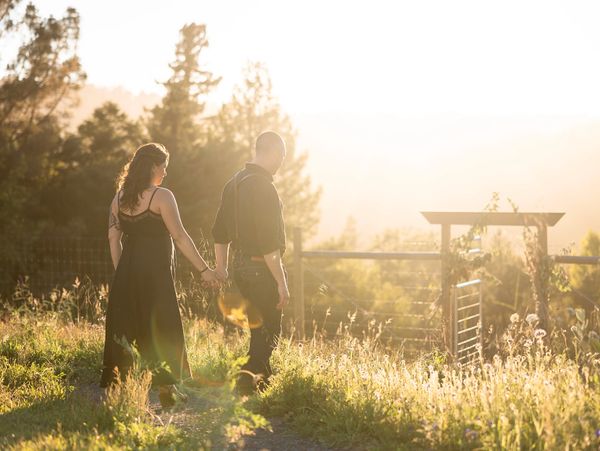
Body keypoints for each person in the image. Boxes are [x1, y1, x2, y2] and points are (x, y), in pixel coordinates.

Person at [102, 142, 219, 408]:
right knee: (162, 327)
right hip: (156, 275)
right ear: (153, 167)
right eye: (163, 167)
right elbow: (179, 236)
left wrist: (122, 272)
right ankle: (168, 389)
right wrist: (205, 270)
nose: (165, 173)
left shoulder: (119, 198)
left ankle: (121, 389)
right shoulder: (162, 196)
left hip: (127, 272)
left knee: (127, 329)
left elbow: (112, 237)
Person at [212, 131, 290, 393]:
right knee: (269, 331)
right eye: (281, 156)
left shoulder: (233, 182)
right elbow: (269, 244)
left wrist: (222, 268)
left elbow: (220, 232)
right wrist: (281, 282)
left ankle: (259, 383)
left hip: (240, 267)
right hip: (261, 266)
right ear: (272, 152)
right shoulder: (264, 187)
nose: (281, 162)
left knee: (259, 330)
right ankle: (249, 387)